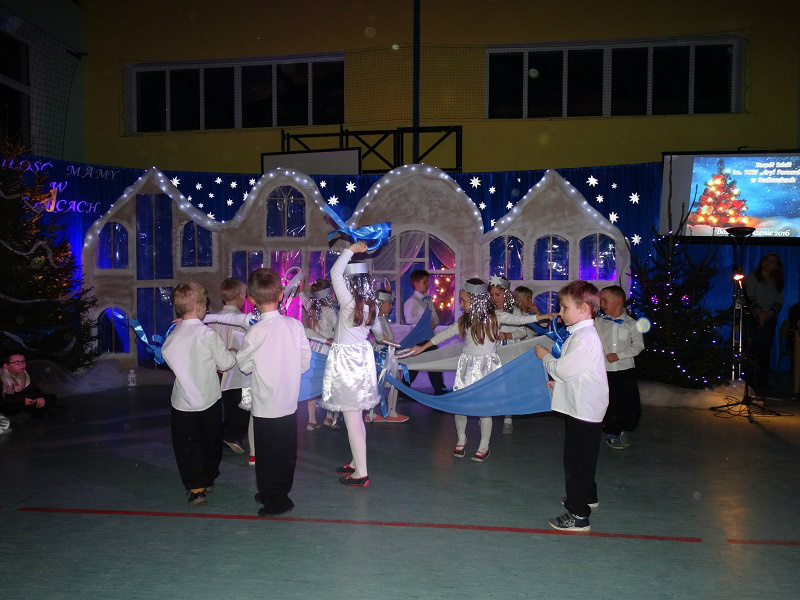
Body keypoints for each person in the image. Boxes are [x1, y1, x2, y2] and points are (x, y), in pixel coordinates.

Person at [408, 278, 549, 462]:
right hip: (467, 366)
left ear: (476, 300)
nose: (461, 304)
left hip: (487, 367)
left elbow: (518, 319)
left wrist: (542, 317)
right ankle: (461, 439)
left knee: (485, 408)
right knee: (461, 406)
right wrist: (423, 347)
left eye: (464, 300)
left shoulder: (494, 316)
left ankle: (484, 446)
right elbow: (445, 333)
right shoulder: (465, 320)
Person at [236, 268, 311, 517]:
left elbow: (244, 364)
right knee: (286, 451)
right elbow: (305, 362)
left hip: (265, 403)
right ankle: (278, 491)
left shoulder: (255, 331)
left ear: (251, 299)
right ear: (281, 295)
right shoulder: (295, 325)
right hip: (288, 400)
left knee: (267, 453)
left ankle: (274, 498)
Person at [535, 280, 608, 532]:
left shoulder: (584, 338)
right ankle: (587, 495)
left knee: (576, 462)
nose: (560, 312)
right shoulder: (582, 335)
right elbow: (579, 373)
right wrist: (560, 386)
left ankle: (578, 515)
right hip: (585, 405)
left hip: (584, 410)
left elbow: (564, 370)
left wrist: (545, 357)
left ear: (584, 308)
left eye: (565, 307)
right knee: (585, 457)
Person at [161, 282, 237, 508]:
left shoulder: (172, 338)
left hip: (183, 403)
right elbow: (225, 363)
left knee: (187, 446)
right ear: (199, 306)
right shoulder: (208, 334)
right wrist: (232, 352)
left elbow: (169, 358)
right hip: (209, 399)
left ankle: (196, 489)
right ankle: (208, 477)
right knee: (211, 442)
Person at [321, 241, 383, 487]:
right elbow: (378, 333)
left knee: (352, 420)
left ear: (350, 284)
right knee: (356, 417)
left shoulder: (348, 302)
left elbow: (334, 272)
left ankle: (361, 474)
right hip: (361, 362)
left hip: (347, 366)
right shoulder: (372, 307)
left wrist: (351, 250)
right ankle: (357, 464)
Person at [596, 285, 644, 449]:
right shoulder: (598, 323)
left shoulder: (633, 324)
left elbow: (638, 346)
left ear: (618, 301)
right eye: (601, 301)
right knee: (610, 403)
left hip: (626, 370)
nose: (602, 304)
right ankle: (611, 432)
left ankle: (626, 428)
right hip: (606, 371)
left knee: (630, 403)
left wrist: (620, 355)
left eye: (605, 300)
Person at [206, 277, 251, 454]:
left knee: (226, 404)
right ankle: (233, 436)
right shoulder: (242, 320)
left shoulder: (213, 319)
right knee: (241, 406)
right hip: (238, 370)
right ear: (240, 296)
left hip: (218, 368)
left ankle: (223, 434)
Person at [488, 277, 538, 434]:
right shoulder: (489, 311)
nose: (494, 298)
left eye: (497, 295)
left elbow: (522, 331)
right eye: (492, 295)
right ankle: (487, 415)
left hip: (510, 351)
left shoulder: (514, 310)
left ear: (506, 294)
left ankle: (507, 419)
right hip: (493, 351)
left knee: (508, 385)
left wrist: (507, 335)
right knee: (492, 384)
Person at [300, 278, 339, 430]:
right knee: (330, 382)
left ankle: (311, 420)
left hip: (312, 349)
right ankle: (329, 416)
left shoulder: (311, 308)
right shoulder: (329, 311)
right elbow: (339, 328)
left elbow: (303, 299)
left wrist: (301, 287)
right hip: (327, 350)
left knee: (312, 383)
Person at [366, 287, 409, 423]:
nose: (391, 306)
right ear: (381, 303)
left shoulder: (382, 318)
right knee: (377, 382)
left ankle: (391, 411)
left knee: (392, 381)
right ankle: (374, 413)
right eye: (389, 303)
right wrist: (395, 346)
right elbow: (381, 338)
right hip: (381, 354)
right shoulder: (375, 319)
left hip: (388, 353)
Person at [744, 253, 784, 388]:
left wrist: (768, 315)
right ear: (762, 261)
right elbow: (750, 297)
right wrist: (759, 314)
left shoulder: (777, 281)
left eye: (773, 261)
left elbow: (779, 302)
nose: (768, 263)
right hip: (752, 318)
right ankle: (749, 381)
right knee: (751, 350)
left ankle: (762, 381)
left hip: (769, 319)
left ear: (777, 266)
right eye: (767, 260)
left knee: (765, 351)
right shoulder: (752, 277)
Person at [403, 269, 446, 395]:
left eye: (428, 282)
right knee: (414, 366)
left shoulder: (428, 300)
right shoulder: (411, 301)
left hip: (428, 337)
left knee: (434, 362)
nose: (427, 284)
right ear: (416, 283)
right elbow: (408, 319)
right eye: (425, 282)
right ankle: (403, 388)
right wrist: (426, 320)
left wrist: (434, 322)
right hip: (418, 338)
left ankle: (439, 388)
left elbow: (435, 316)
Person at [1, 352, 62, 419]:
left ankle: (37, 412)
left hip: (28, 400)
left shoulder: (25, 375)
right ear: (6, 365)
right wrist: (22, 400)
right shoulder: (2, 377)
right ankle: (43, 412)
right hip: (12, 403)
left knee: (51, 397)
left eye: (23, 361)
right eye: (17, 362)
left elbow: (33, 389)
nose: (22, 365)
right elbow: (4, 399)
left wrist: (41, 398)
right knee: (11, 407)